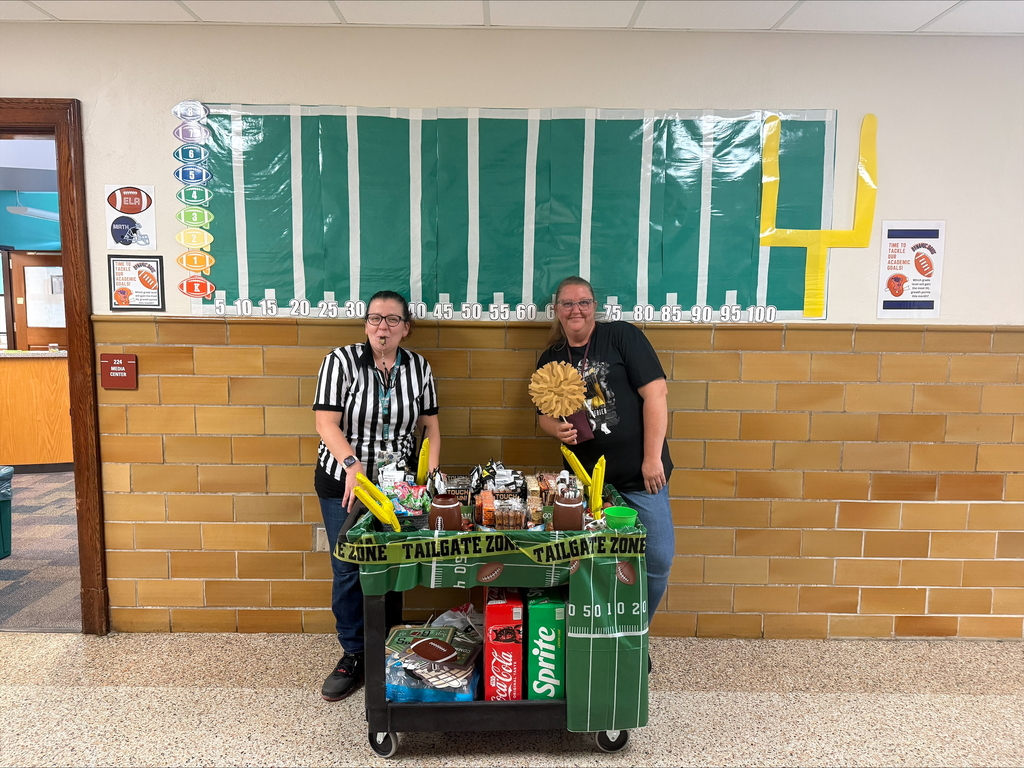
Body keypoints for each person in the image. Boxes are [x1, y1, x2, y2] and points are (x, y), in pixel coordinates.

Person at [312, 290, 441, 701]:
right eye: (374, 318)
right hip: (344, 482)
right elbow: (325, 423)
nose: (381, 326)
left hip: (398, 487)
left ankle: (387, 648)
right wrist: (353, 466)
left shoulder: (418, 367)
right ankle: (353, 654)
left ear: (406, 327)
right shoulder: (340, 362)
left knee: (393, 566)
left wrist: (428, 478)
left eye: (391, 320)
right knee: (349, 567)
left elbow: (431, 430)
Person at [536, 276, 674, 626]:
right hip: (585, 488)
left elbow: (656, 394)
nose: (576, 309)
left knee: (657, 559)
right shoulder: (551, 359)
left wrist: (652, 458)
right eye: (567, 303)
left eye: (583, 302)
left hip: (640, 478)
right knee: (592, 564)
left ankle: (636, 632)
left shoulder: (621, 336)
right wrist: (558, 429)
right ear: (557, 311)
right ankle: (602, 637)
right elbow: (543, 419)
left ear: (595, 306)